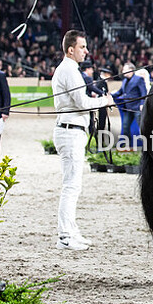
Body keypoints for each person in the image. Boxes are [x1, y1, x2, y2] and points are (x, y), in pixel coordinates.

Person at [52, 30, 112, 251]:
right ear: (71, 49)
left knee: (73, 186)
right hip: (70, 131)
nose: (86, 51)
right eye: (82, 47)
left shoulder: (70, 69)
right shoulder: (69, 70)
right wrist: (104, 101)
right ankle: (65, 236)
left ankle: (71, 230)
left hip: (73, 130)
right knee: (70, 186)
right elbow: (81, 103)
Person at [112, 62, 147, 143]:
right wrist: (110, 95)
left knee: (141, 126)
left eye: (125, 69)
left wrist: (142, 104)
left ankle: (147, 144)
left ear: (131, 70)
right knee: (125, 126)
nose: (123, 71)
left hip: (137, 107)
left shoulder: (138, 79)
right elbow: (120, 92)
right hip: (128, 107)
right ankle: (128, 143)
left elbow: (143, 93)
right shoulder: (124, 81)